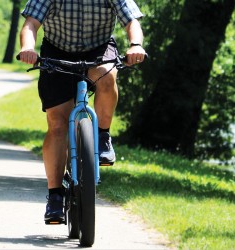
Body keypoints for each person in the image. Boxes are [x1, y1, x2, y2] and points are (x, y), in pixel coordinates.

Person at [17, 0, 146, 223]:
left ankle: (103, 135)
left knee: (107, 74)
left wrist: (135, 44)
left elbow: (131, 21)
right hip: (57, 52)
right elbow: (31, 24)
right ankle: (55, 196)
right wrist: (28, 48)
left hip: (99, 49)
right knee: (57, 125)